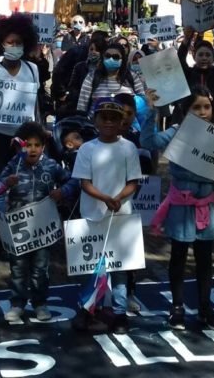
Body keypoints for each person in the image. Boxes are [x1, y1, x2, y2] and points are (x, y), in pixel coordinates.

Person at [141, 86, 214, 331]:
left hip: (206, 207)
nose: (203, 112)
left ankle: (205, 307)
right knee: (178, 257)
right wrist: (150, 111)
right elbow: (148, 141)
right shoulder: (176, 131)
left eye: (207, 107)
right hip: (181, 206)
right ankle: (177, 307)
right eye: (197, 107)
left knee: (205, 259)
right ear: (185, 110)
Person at [71, 98, 144, 334]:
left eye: (114, 118)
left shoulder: (128, 147)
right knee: (93, 267)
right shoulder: (87, 148)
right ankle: (91, 308)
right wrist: (105, 198)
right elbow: (84, 182)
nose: (109, 122)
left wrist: (118, 198)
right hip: (92, 216)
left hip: (121, 216)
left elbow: (134, 181)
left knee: (120, 268)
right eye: (104, 118)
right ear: (96, 121)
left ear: (122, 122)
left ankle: (120, 313)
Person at [0, 122, 70, 323]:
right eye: (27, 145)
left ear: (43, 146)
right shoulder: (13, 165)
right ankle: (17, 304)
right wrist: (6, 183)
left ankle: (40, 303)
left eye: (37, 145)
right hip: (18, 228)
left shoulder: (51, 165)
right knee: (18, 268)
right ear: (20, 146)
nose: (32, 149)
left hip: (42, 228)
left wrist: (62, 192)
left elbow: (71, 181)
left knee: (40, 269)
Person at [0, 13, 41, 171]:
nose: (14, 46)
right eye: (10, 42)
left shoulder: (32, 70)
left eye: (18, 43)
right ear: (1, 44)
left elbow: (35, 103)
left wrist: (39, 128)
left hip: (22, 136)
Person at [178, 23, 214, 119]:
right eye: (200, 55)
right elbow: (180, 60)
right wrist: (187, 39)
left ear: (213, 58)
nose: (204, 58)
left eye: (208, 55)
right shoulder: (189, 74)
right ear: (194, 56)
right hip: (192, 120)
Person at [76, 42, 145, 114]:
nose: (111, 59)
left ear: (122, 59)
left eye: (115, 57)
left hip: (125, 124)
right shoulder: (92, 77)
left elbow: (143, 102)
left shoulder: (132, 77)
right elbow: (82, 106)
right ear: (103, 57)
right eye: (107, 56)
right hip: (95, 124)